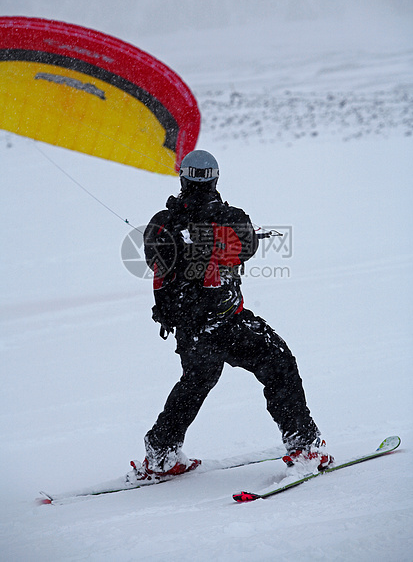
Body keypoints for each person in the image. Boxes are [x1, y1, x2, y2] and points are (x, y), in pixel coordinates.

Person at [131, 149, 333, 482]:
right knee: (278, 362)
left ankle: (160, 452)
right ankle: (305, 447)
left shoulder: (160, 223)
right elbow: (246, 248)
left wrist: (190, 243)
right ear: (215, 179)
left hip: (187, 329)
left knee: (198, 379)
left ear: (183, 178)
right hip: (225, 322)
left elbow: (158, 260)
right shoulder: (231, 217)